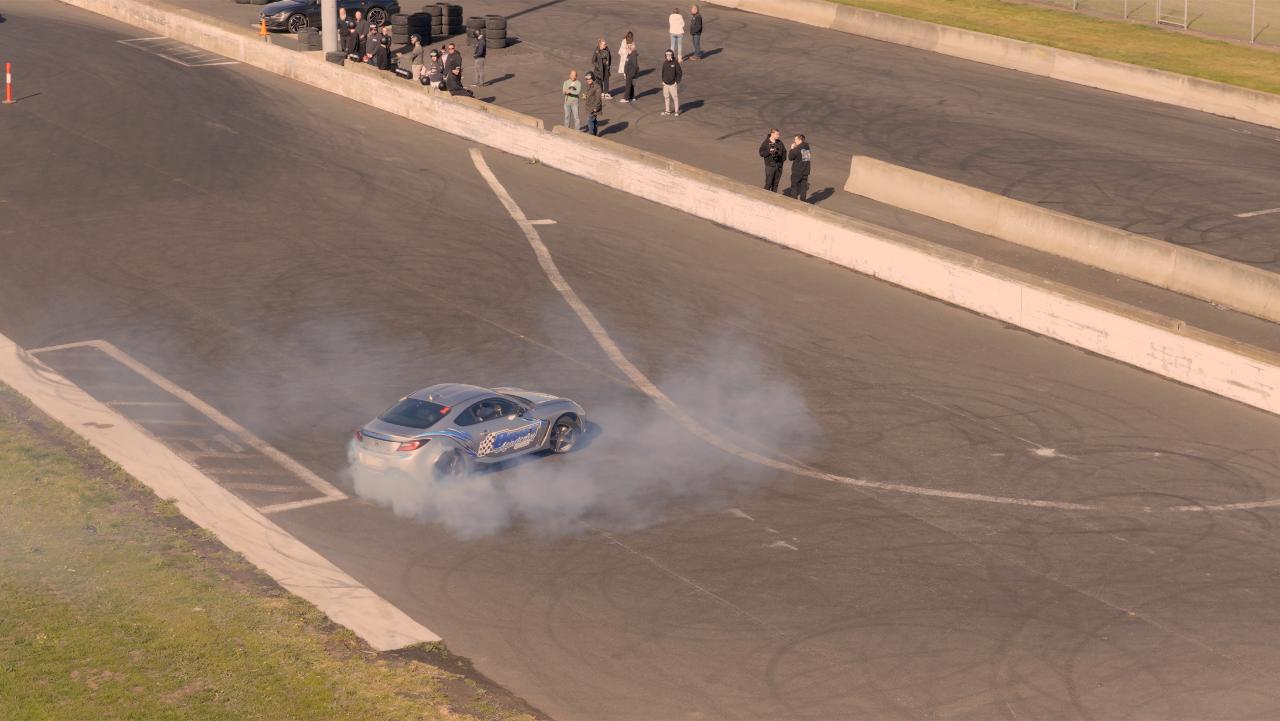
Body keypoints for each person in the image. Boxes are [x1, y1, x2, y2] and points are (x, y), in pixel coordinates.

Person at [787, 134, 811, 201]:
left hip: (797, 171)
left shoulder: (798, 148)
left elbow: (790, 157)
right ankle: (803, 201)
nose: (794, 141)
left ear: (800, 140)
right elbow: (804, 158)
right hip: (805, 171)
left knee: (794, 186)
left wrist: (792, 148)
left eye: (795, 139)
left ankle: (793, 201)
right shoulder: (807, 147)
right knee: (803, 187)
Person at [660, 49, 682, 116]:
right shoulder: (665, 63)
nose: (668, 56)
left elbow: (679, 73)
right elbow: (663, 73)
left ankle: (676, 111)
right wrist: (663, 81)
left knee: (675, 97)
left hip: (673, 84)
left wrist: (676, 82)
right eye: (667, 55)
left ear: (672, 55)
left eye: (669, 54)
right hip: (665, 84)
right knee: (666, 97)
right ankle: (667, 111)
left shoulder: (675, 63)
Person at [618, 32, 638, 103]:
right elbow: (620, 52)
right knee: (631, 82)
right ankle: (632, 96)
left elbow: (635, 64)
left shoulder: (632, 50)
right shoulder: (626, 42)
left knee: (628, 83)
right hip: (629, 67)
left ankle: (627, 97)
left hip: (630, 69)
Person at [583, 71, 603, 136]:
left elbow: (598, 98)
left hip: (594, 107)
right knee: (594, 120)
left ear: (592, 78)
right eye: (587, 79)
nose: (588, 80)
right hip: (589, 107)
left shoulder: (597, 86)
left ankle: (591, 134)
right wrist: (584, 96)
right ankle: (594, 134)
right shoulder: (589, 86)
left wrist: (596, 107)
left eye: (589, 79)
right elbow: (586, 95)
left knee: (590, 120)